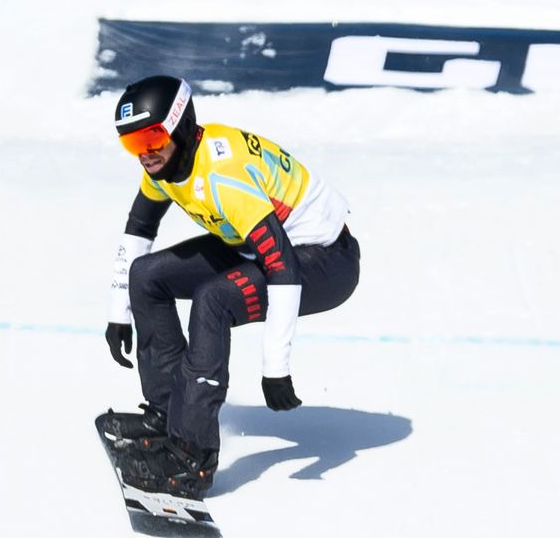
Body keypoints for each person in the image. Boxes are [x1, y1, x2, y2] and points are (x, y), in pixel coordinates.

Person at [98, 75, 362, 505]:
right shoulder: (168, 160)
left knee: (214, 299)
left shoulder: (223, 176)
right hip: (259, 248)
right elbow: (140, 227)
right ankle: (169, 417)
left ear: (181, 126)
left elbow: (283, 266)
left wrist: (275, 367)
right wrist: (118, 310)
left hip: (325, 259)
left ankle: (193, 457)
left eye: (151, 137)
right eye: (132, 143)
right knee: (147, 275)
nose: (145, 153)